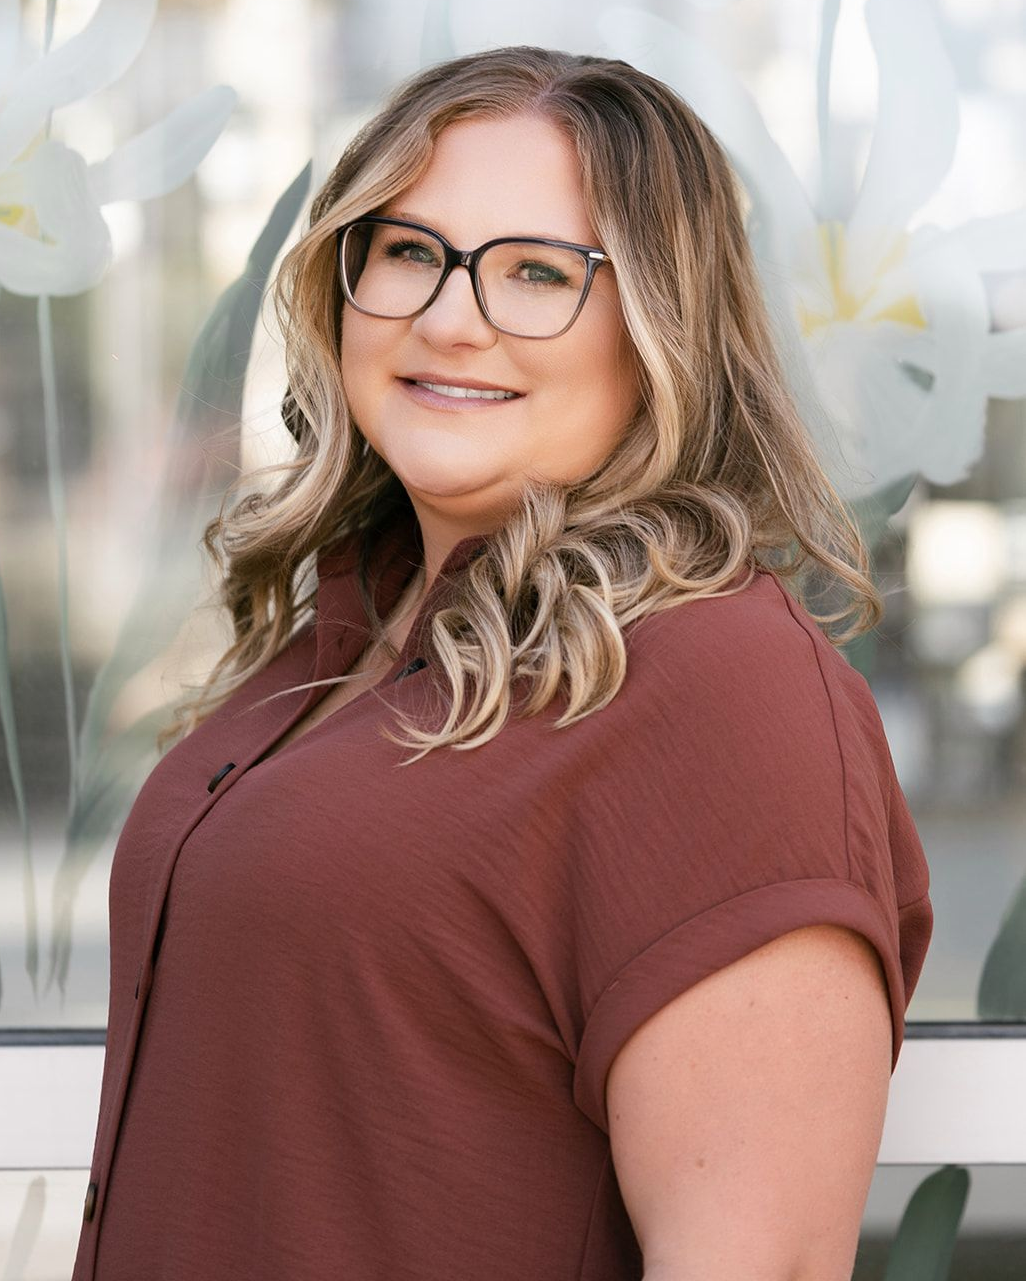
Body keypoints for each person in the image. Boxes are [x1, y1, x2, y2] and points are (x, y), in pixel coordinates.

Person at [72, 45, 933, 1281]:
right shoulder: (337, 634)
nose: (449, 318)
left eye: (538, 272)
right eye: (409, 250)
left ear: (660, 328)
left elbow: (763, 1262)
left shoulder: (720, 686)